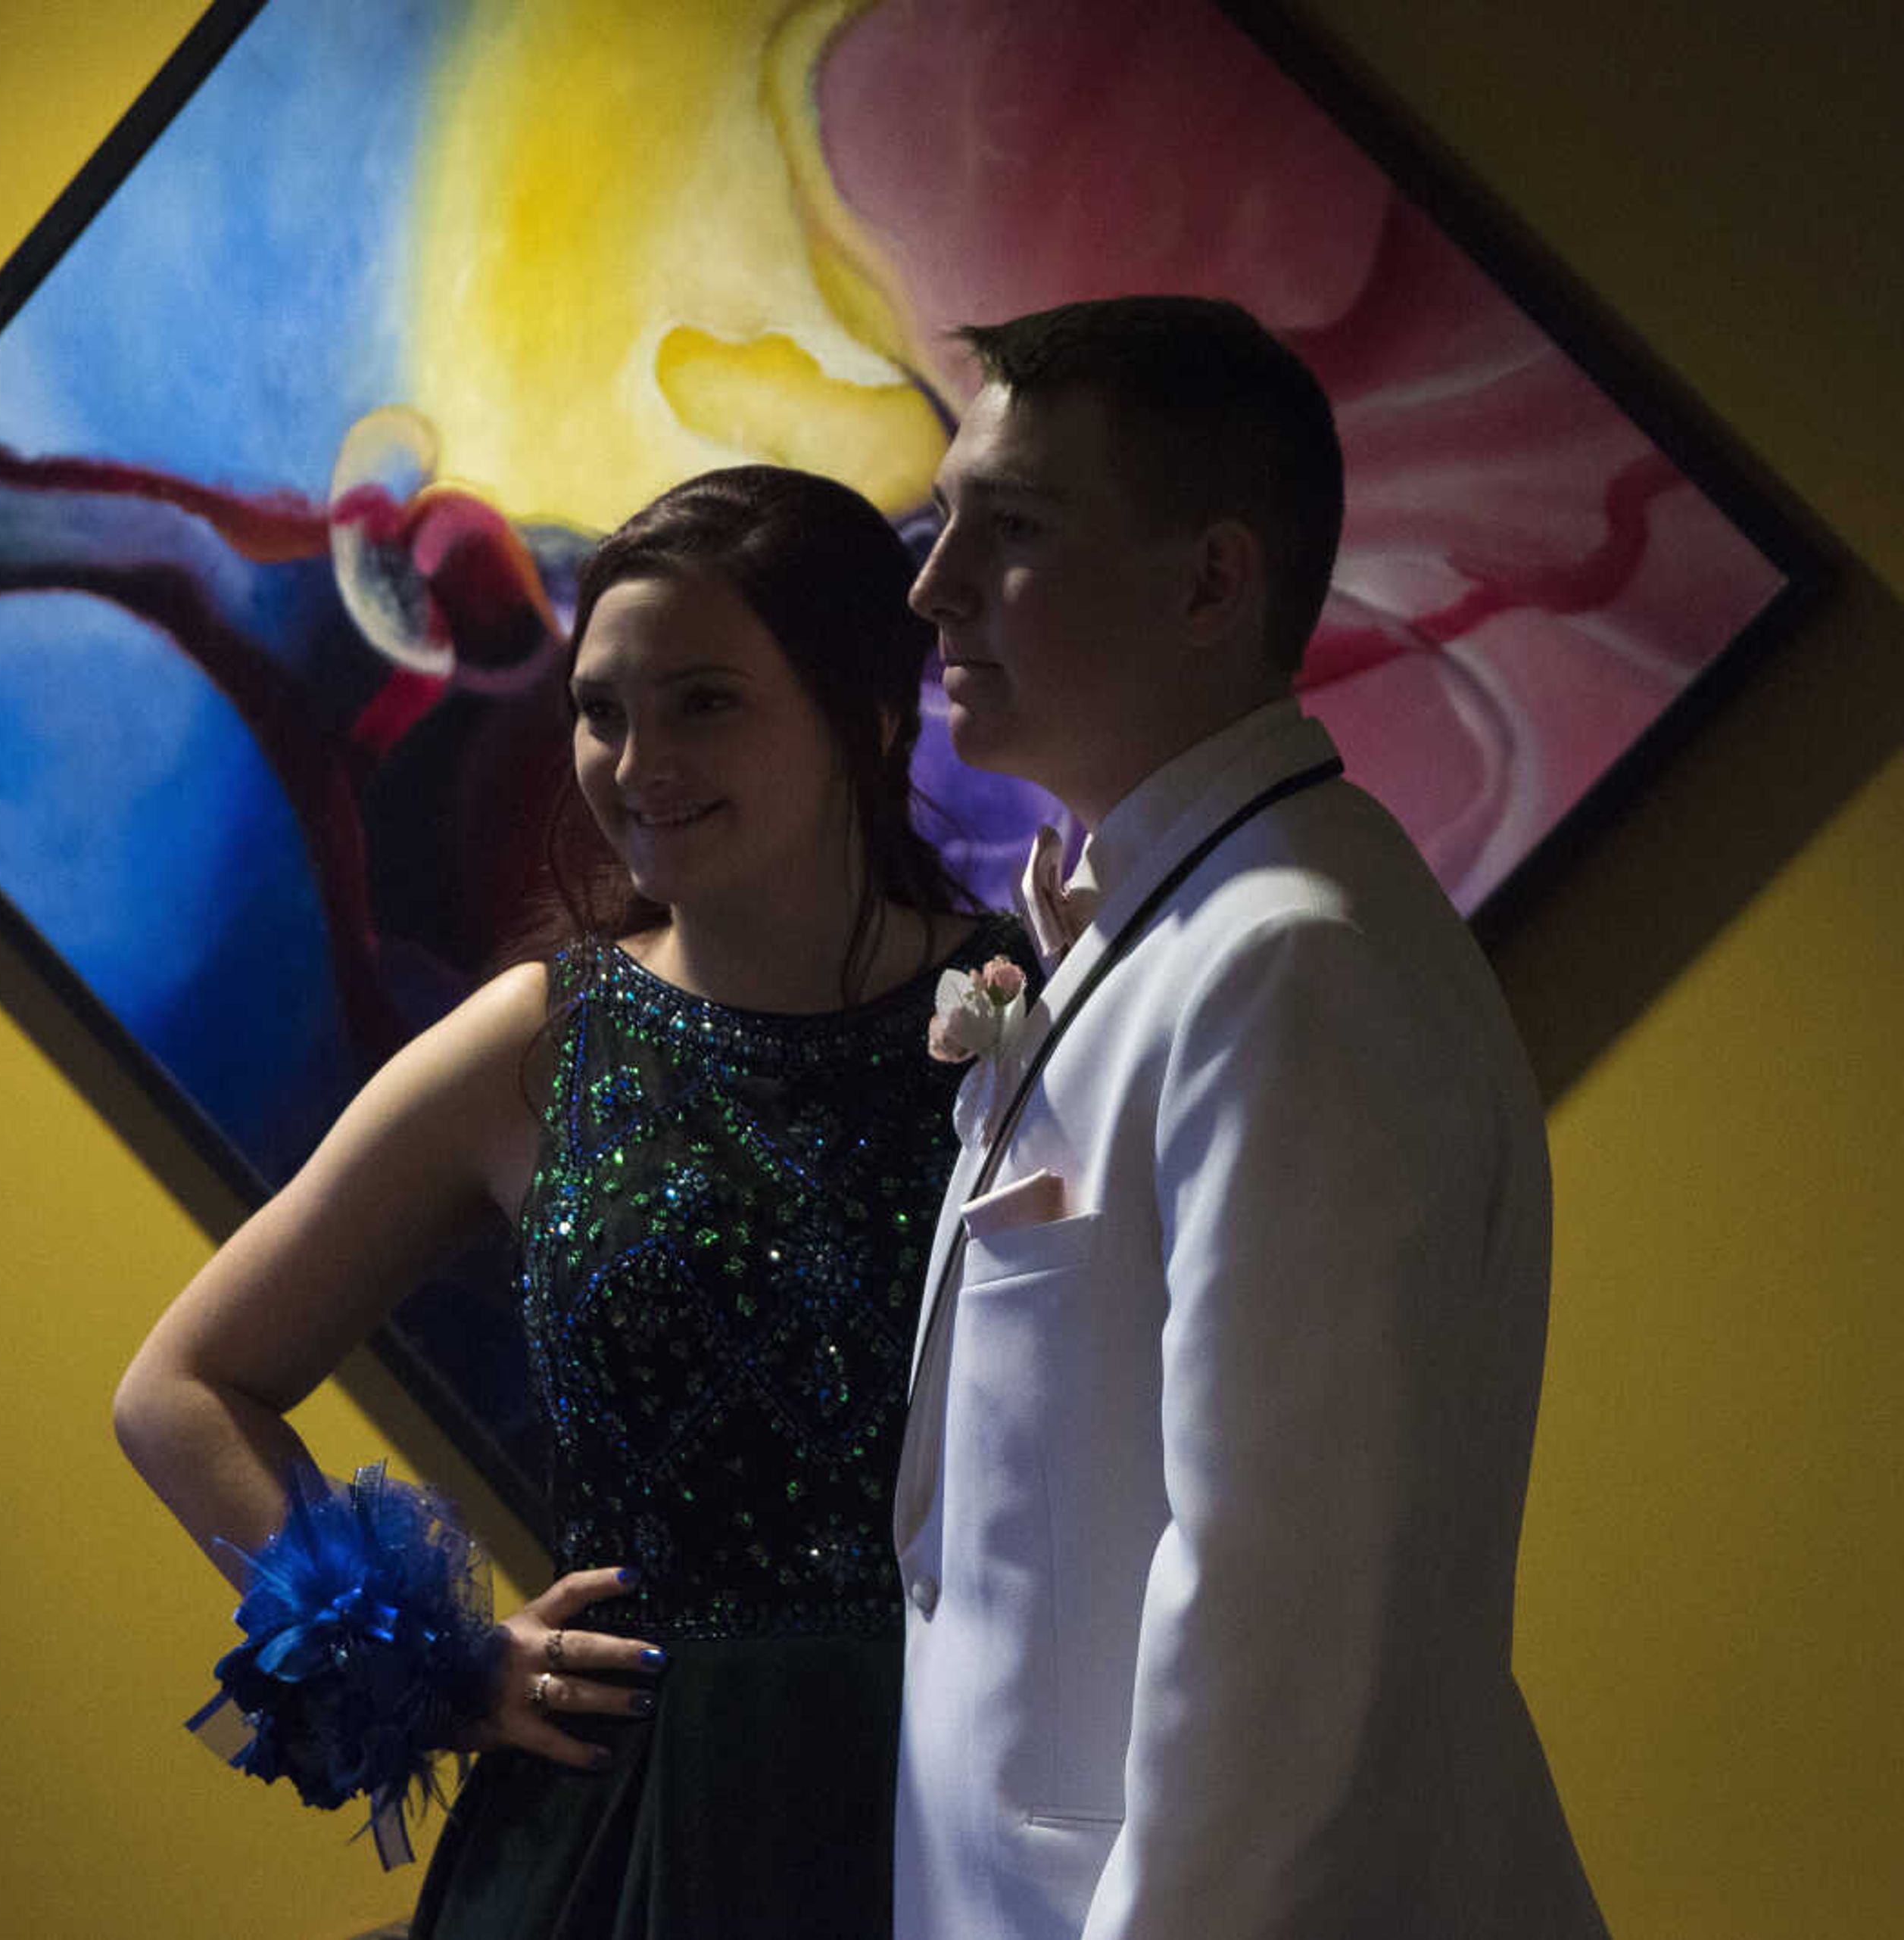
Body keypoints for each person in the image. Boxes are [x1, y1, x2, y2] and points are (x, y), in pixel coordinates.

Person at [116, 465, 1024, 1934]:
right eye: (603, 707)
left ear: (864, 708)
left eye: (705, 700)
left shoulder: (1033, 1010)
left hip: (988, 1798)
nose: (638, 757)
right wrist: (442, 1664)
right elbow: (180, 1388)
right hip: (630, 1825)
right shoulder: (536, 1042)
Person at [891, 296, 1607, 1937]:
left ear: (1212, 580)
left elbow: (1280, 1640)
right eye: (944, 525)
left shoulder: (1292, 969)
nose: (931, 585)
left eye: (1009, 530)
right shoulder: (1163, 927)